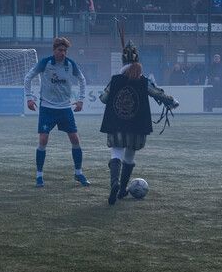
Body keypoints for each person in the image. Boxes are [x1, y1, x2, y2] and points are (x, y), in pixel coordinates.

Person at [100, 39, 179, 205]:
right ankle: (122, 190)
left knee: (116, 153)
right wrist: (171, 101)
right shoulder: (143, 80)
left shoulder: (115, 80)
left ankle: (114, 183)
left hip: (117, 123)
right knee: (129, 156)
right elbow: (158, 94)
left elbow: (103, 98)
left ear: (123, 61)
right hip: (137, 124)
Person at [23, 37, 88, 188]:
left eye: (65, 50)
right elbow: (28, 77)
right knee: (43, 140)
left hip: (65, 108)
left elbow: (82, 80)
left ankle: (78, 173)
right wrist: (29, 98)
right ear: (54, 50)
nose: (63, 53)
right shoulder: (46, 63)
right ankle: (39, 176)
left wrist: (81, 100)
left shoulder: (70, 64)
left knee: (75, 140)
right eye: (60, 50)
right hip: (47, 108)